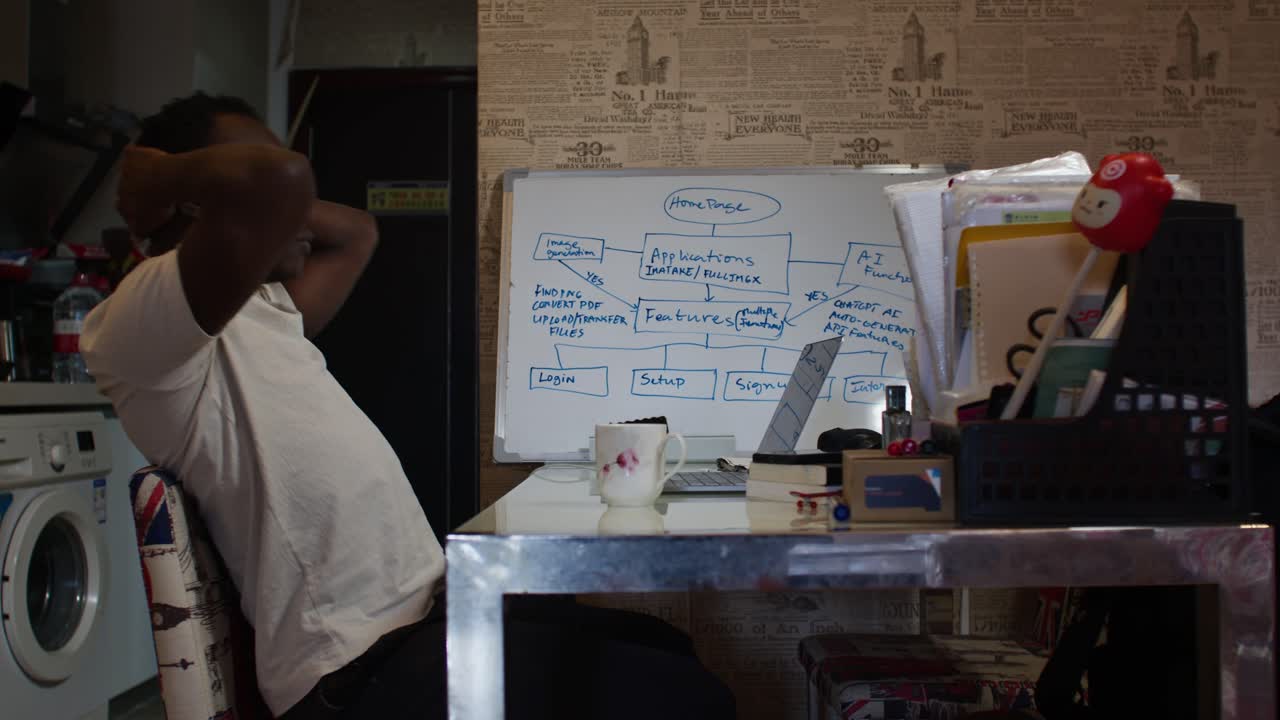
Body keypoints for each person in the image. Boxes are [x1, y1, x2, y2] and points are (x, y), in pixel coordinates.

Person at [82, 93, 735, 720]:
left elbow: (357, 232)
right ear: (197, 200)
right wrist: (167, 178)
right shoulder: (146, 324)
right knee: (682, 697)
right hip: (354, 678)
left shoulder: (263, 308)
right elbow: (277, 182)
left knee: (667, 651)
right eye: (281, 200)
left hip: (421, 625)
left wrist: (248, 197)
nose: (302, 214)